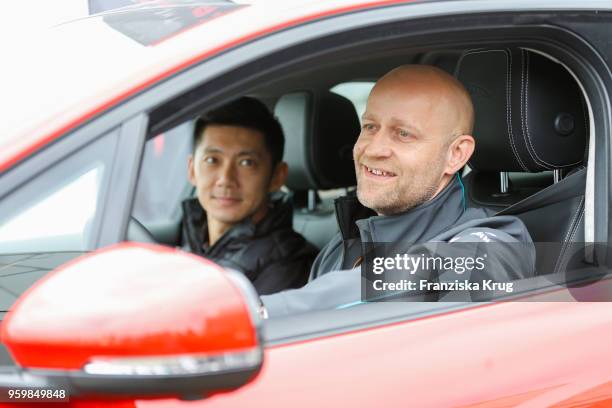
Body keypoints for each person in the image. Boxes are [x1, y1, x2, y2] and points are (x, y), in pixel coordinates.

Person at [261, 65, 535, 317]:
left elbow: (434, 272)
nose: (373, 149)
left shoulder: (497, 240)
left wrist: (270, 311)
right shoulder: (341, 245)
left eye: (403, 133)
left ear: (456, 154)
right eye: (370, 127)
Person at [182, 97, 318, 295]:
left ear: (277, 176)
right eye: (212, 160)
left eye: (246, 163)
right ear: (192, 170)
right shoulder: (194, 241)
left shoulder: (287, 268)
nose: (225, 179)